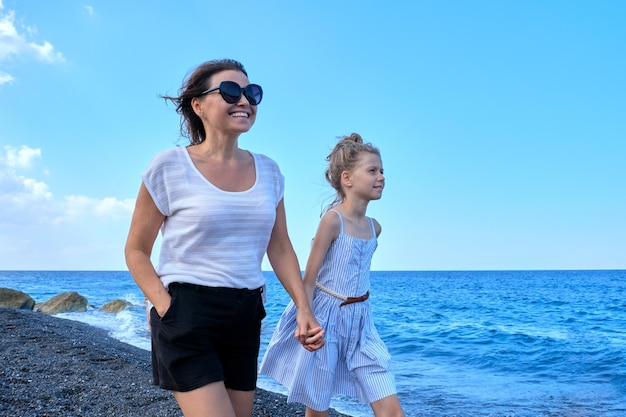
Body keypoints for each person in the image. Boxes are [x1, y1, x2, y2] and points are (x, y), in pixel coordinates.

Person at [124, 58, 324, 417]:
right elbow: (136, 250)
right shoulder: (169, 166)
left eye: (252, 93)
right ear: (198, 105)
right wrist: (165, 307)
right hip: (186, 309)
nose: (244, 100)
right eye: (231, 91)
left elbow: (279, 247)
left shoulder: (270, 171)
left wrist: (303, 310)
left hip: (246, 313)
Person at [260, 133, 405, 417]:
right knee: (318, 406)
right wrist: (306, 318)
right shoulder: (332, 221)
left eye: (382, 171)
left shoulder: (375, 227)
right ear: (347, 178)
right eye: (373, 170)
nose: (381, 177)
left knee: (391, 408)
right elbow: (308, 279)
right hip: (326, 317)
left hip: (362, 323)